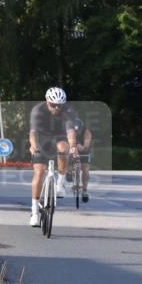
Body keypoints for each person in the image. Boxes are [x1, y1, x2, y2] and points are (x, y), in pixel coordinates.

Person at [28, 87, 79, 226]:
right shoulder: (38, 110)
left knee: (64, 147)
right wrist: (33, 146)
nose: (56, 108)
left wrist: (73, 146)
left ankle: (60, 183)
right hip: (42, 139)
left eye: (59, 105)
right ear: (46, 101)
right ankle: (35, 212)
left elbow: (70, 133)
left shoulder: (68, 111)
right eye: (53, 105)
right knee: (39, 171)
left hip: (59, 138)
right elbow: (33, 132)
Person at [68, 117, 93, 202]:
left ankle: (85, 190)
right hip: (71, 147)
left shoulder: (86, 132)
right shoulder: (69, 130)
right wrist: (73, 147)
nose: (77, 133)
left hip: (83, 149)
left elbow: (86, 145)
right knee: (67, 157)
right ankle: (70, 171)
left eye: (78, 131)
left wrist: (83, 147)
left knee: (85, 168)